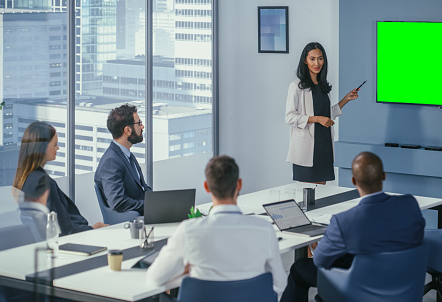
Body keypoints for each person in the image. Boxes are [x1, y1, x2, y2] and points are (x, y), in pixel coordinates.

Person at [280, 152, 425, 302]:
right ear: (383, 175)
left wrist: (317, 246)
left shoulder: (344, 221)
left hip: (360, 287)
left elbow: (320, 261)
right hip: (402, 279)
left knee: (299, 268)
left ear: (353, 181)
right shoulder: (410, 204)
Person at [146, 156, 287, 297]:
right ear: (239, 184)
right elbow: (280, 283)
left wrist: (184, 270)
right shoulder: (264, 230)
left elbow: (155, 278)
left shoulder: (189, 231)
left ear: (206, 186)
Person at [13, 121, 108, 236]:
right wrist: (92, 229)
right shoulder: (44, 183)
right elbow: (64, 230)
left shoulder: (26, 179)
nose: (58, 148)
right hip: (72, 240)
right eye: (54, 145)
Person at [286, 42, 361, 184]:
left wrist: (346, 99)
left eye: (320, 58)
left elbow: (326, 115)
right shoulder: (296, 86)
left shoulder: (323, 86)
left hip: (324, 145)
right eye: (312, 59)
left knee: (321, 195)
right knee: (307, 198)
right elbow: (289, 117)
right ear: (305, 60)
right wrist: (317, 119)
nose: (317, 63)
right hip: (306, 149)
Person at [94, 104, 152, 215]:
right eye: (139, 123)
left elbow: (142, 189)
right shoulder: (111, 161)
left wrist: (160, 201)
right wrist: (149, 205)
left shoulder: (127, 155)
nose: (142, 126)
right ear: (127, 130)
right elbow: (117, 202)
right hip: (133, 220)